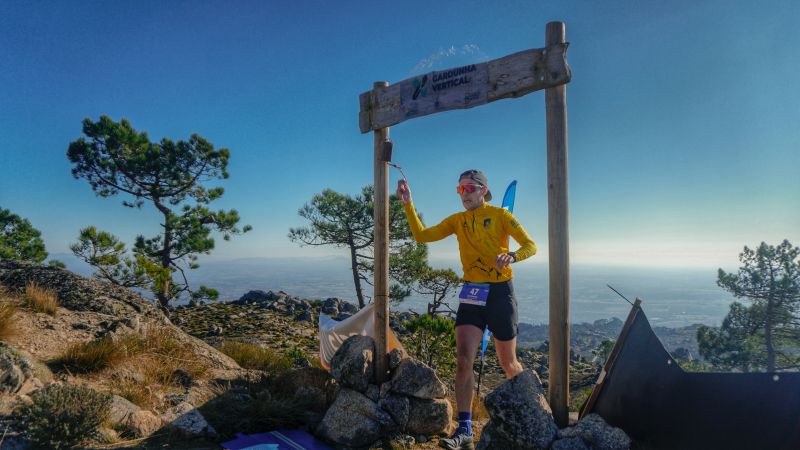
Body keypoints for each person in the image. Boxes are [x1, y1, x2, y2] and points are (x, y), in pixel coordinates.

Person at [397, 169, 537, 450]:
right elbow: (422, 236)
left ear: (484, 190)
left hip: (500, 293)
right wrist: (408, 204)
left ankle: (535, 418)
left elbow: (530, 245)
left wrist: (511, 255)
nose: (464, 194)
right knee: (463, 361)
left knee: (508, 364)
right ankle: (464, 431)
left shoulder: (501, 216)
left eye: (470, 188)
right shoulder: (457, 221)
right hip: (472, 293)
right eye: (460, 189)